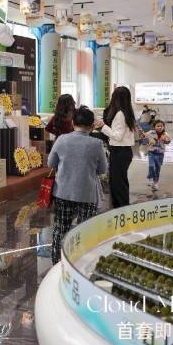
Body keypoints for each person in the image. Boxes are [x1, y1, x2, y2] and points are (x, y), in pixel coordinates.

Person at [47, 106, 107, 264]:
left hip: (63, 192)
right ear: (91, 125)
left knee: (61, 229)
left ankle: (57, 262)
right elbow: (102, 169)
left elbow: (51, 163)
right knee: (85, 231)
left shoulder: (62, 139)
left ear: (73, 123)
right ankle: (81, 264)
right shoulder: (97, 143)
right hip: (87, 194)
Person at [94, 86, 136, 208]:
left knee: (118, 184)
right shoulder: (126, 112)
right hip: (122, 151)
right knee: (118, 182)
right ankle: (120, 208)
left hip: (120, 152)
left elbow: (117, 136)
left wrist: (103, 126)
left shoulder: (120, 114)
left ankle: (122, 208)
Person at [142, 120, 171, 192]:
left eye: (161, 126)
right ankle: (151, 177)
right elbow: (144, 140)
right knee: (151, 166)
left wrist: (166, 139)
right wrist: (145, 139)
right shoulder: (150, 133)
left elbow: (168, 142)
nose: (160, 127)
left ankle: (155, 182)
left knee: (158, 168)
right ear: (154, 127)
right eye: (158, 126)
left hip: (160, 153)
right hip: (151, 152)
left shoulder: (165, 134)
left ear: (163, 127)